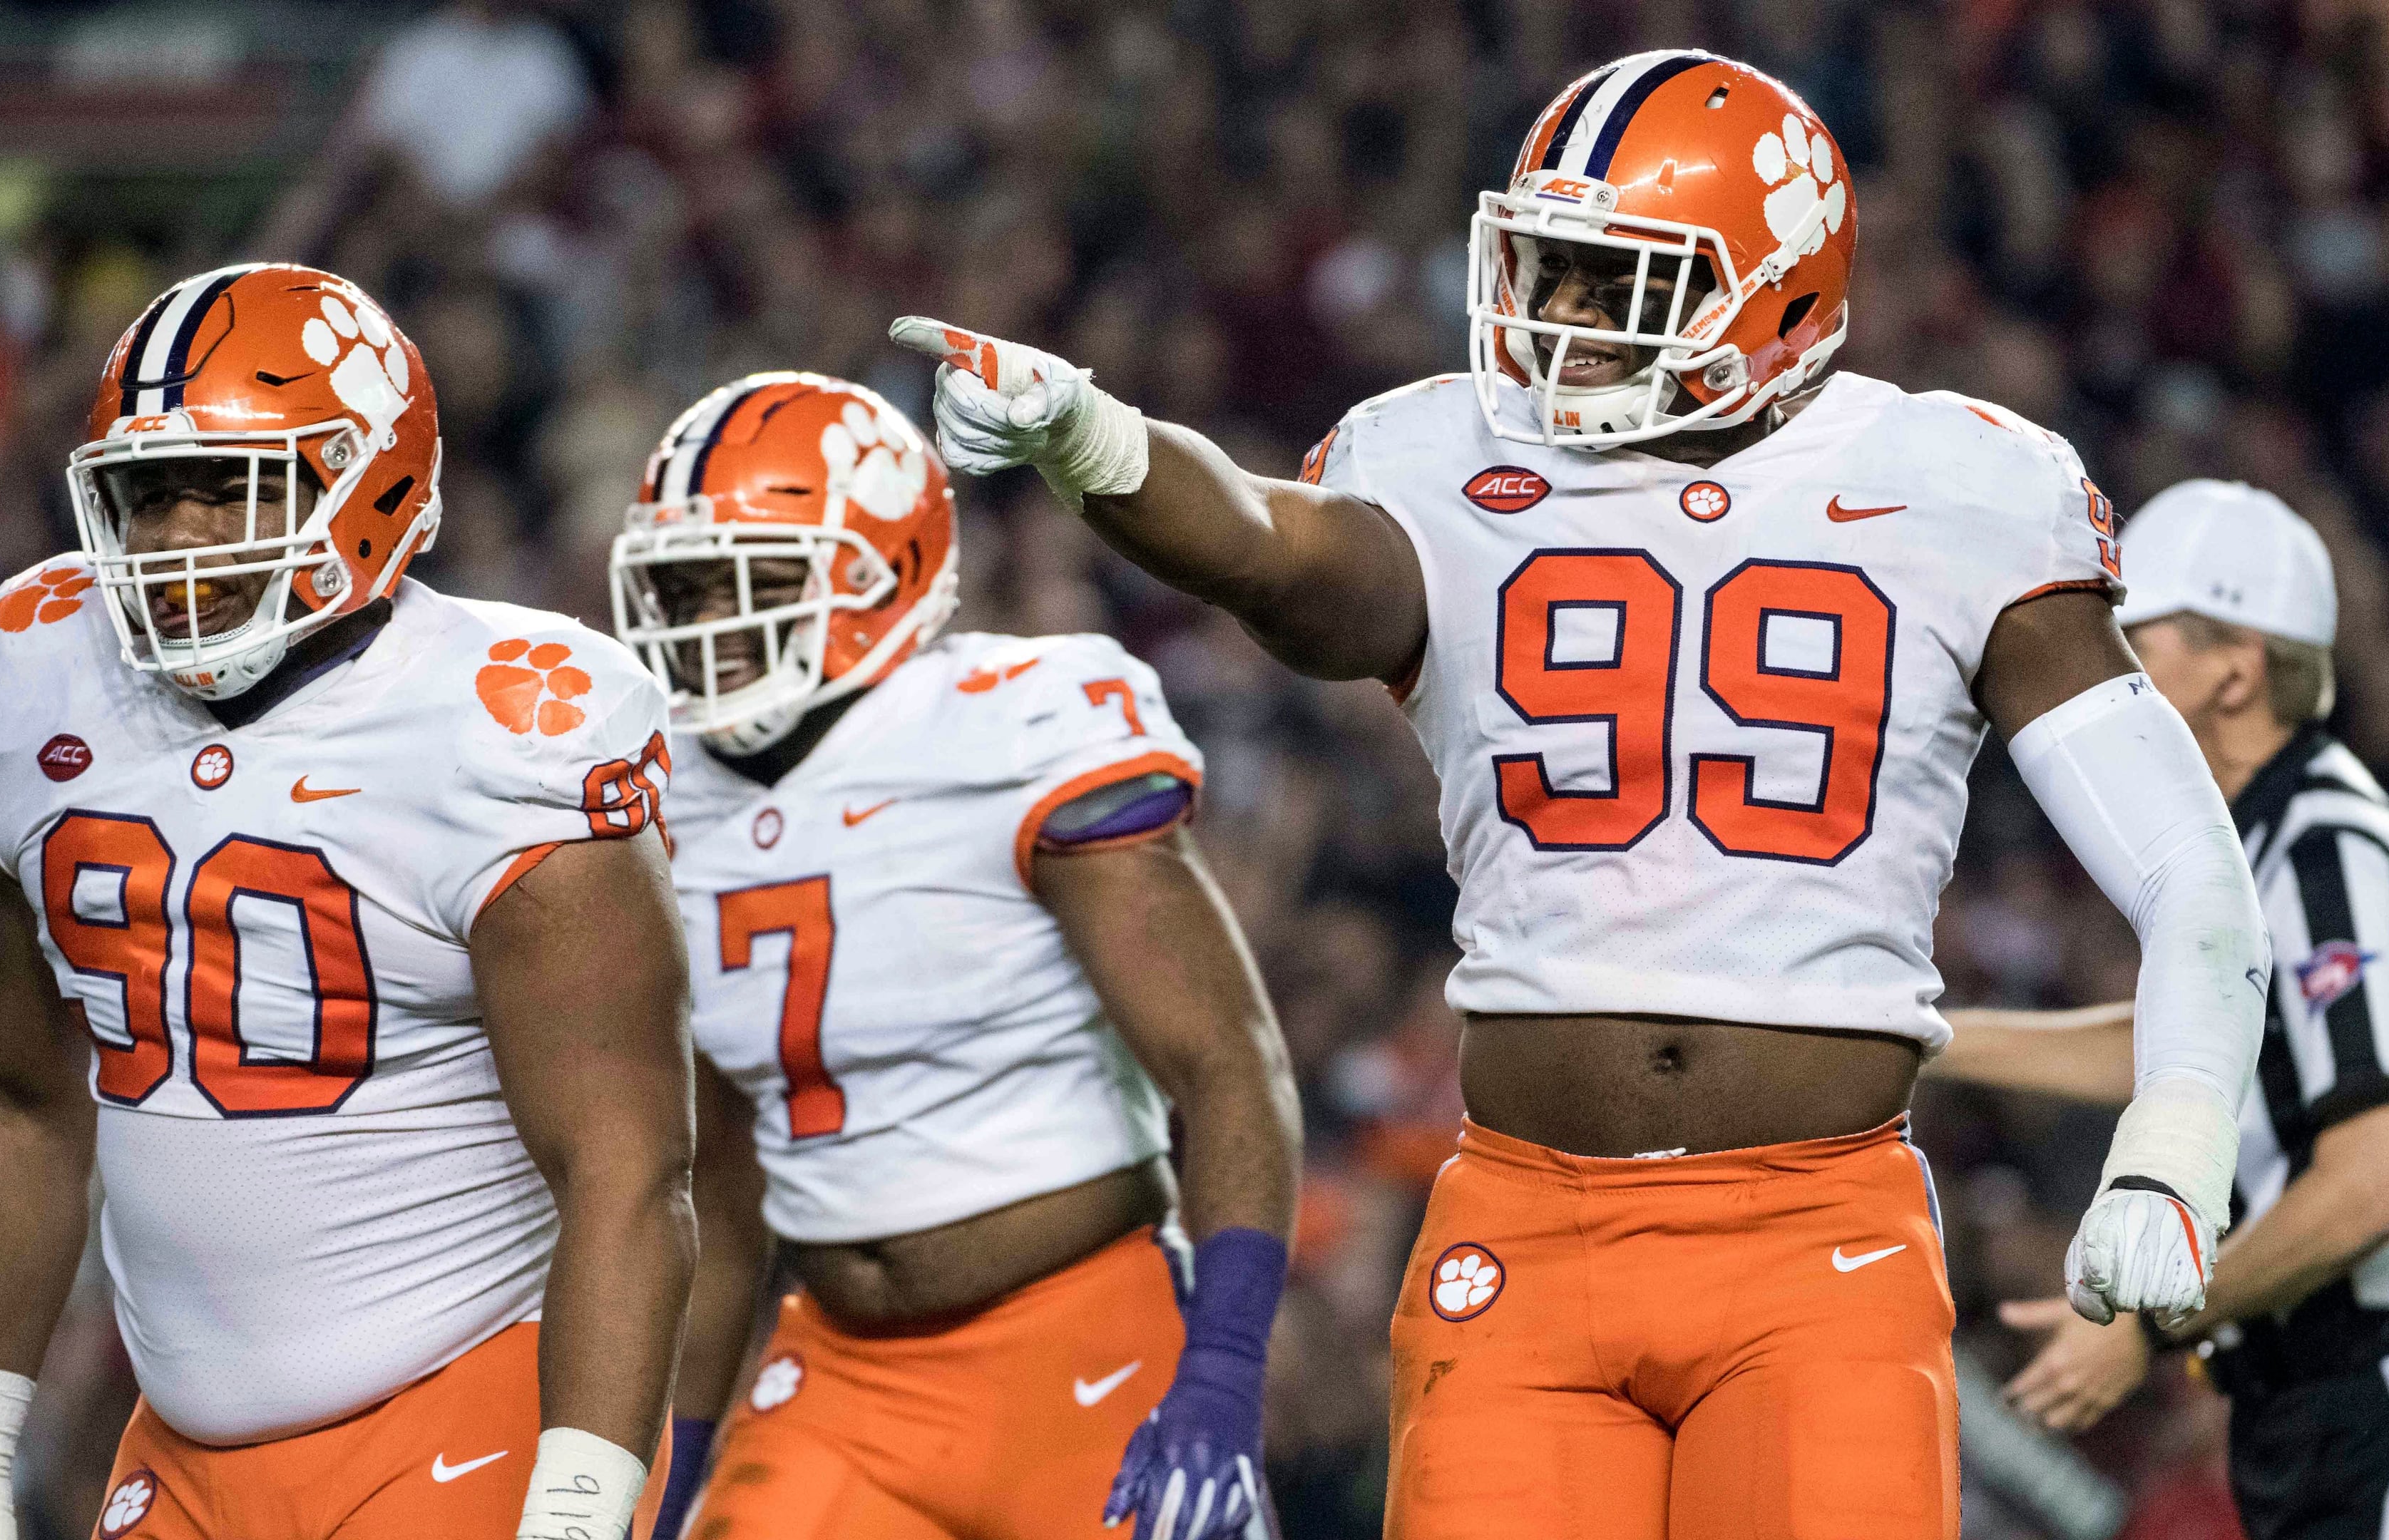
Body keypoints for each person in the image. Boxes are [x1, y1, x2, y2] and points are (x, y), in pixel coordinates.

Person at [891, 49, 2271, 1539]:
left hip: (1818, 1231)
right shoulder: (1449, 459)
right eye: (1546, 274)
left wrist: (2176, 1153)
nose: (1554, 323)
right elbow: (1272, 556)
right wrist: (1098, 440)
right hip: (1521, 1224)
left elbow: (2189, 873)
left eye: (1615, 285)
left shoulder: (1958, 487)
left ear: (1778, 291)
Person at [0, 263, 697, 1540]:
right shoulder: (46, 666)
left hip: (462, 1411)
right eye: (148, 492)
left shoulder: (506, 727)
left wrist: (574, 1508)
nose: (177, 536)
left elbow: (628, 1169)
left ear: (370, 478)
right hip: (181, 1444)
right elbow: (12, 1094)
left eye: (232, 487)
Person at [609, 373, 1301, 1540]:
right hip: (838, 1371)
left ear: (881, 572)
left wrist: (1224, 1370)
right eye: (683, 589)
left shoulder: (1012, 723)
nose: (710, 628)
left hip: (1080, 1337)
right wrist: (662, 1481)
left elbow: (1230, 1067)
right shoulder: (661, 794)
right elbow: (721, 1202)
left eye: (756, 583)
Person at [1933, 480, 2389, 1538]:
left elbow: (2373, 1188)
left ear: (2235, 670)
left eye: (2137, 641)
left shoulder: (2322, 849)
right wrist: (1924, 1041)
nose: (2107, 671)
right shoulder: (2268, 843)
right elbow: (2187, 1048)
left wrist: (2153, 1328)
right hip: (2341, 1401)